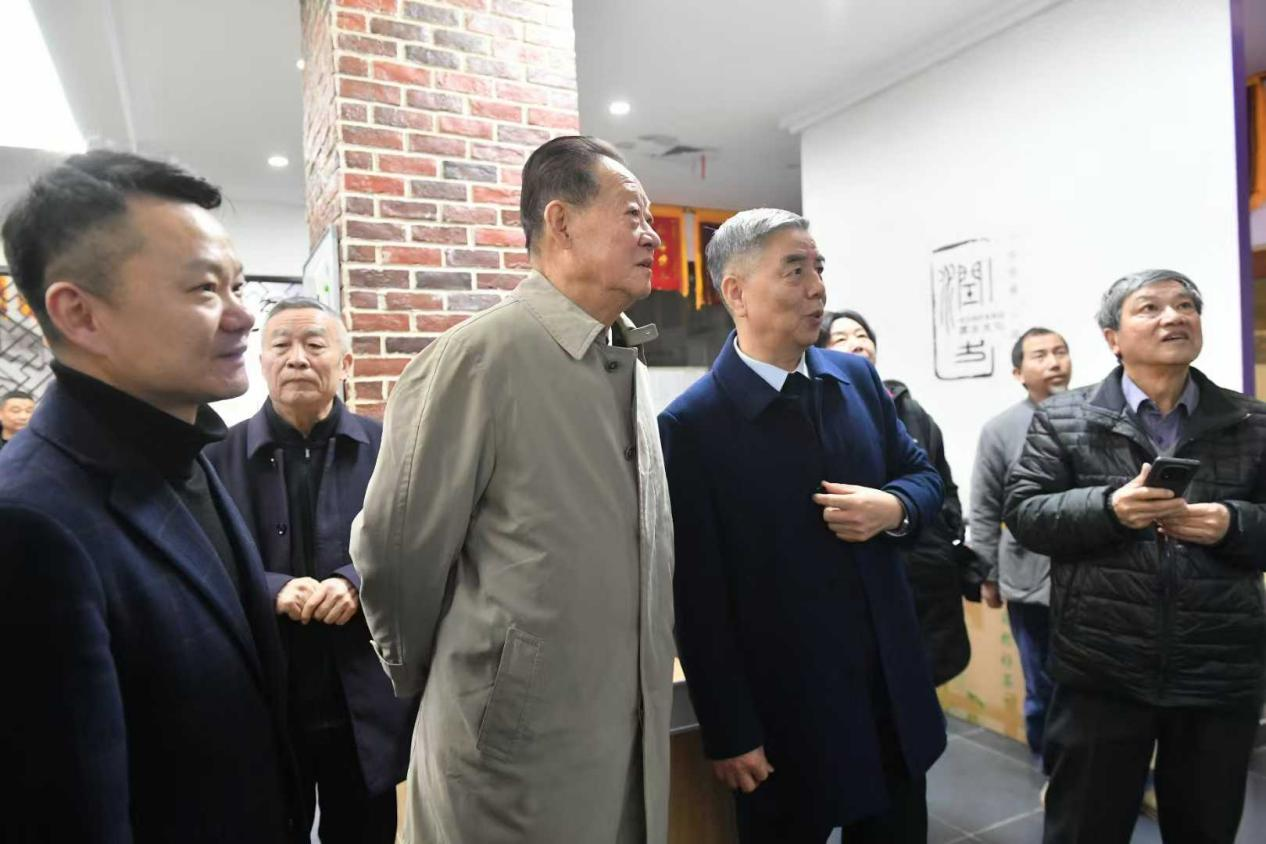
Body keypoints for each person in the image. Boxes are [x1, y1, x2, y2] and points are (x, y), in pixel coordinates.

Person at [351, 135, 675, 844]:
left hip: (622, 734)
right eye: (633, 214)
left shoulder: (627, 365)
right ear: (561, 223)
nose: (653, 236)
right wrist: (480, 679)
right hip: (512, 756)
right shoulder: (477, 358)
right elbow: (396, 554)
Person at [0, 150, 300, 841]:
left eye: (238, 285)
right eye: (203, 289)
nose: (243, 317)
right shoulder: (30, 526)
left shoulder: (187, 451)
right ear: (80, 314)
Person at [661, 209, 946, 844]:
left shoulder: (857, 379)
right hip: (788, 712)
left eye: (819, 268)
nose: (818, 287)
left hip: (887, 695)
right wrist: (731, 731)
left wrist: (893, 508)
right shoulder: (692, 425)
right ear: (736, 292)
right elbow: (698, 598)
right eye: (795, 271)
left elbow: (924, 477)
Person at [1004, 269, 1266, 844]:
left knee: (1205, 828)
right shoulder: (1064, 418)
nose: (1175, 317)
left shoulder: (1251, 421)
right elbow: (1024, 513)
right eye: (1150, 307)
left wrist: (1232, 523)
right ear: (1112, 338)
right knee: (1084, 828)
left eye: (1186, 305)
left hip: (1217, 667)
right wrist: (1109, 509)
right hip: (1102, 665)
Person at [206, 297, 415, 843]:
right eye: (281, 345)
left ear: (345, 363)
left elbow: (417, 540)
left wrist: (356, 581)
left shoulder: (388, 449)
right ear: (262, 362)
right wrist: (271, 589)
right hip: (264, 693)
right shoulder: (215, 457)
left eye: (314, 344)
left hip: (363, 690)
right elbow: (202, 554)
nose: (296, 358)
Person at [821, 309, 986, 686]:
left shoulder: (907, 407)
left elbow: (941, 481)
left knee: (927, 678)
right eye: (840, 338)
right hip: (863, 575)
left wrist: (945, 535)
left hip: (926, 572)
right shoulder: (820, 411)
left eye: (862, 335)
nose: (856, 344)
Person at [970, 327, 1071, 768]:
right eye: (1040, 355)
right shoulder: (1000, 430)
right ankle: (1051, 766)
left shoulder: (1092, 415)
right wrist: (987, 575)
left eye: (1060, 352)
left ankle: (1093, 771)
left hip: (1090, 576)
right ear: (1018, 372)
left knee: (1095, 683)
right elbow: (984, 507)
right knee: (1042, 680)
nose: (1054, 362)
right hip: (1029, 579)